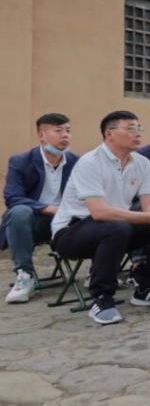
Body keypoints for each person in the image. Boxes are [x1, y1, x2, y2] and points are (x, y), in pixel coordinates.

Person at [49, 111, 150, 325]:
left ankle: (148, 289)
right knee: (117, 227)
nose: (137, 133)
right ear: (109, 133)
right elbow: (99, 212)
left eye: (139, 128)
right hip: (72, 232)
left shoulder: (141, 163)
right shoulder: (90, 162)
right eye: (130, 128)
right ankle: (102, 299)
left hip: (117, 229)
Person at [2, 113, 79, 304]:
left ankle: (98, 272)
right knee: (18, 211)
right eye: (58, 130)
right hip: (34, 221)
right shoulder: (21, 161)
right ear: (41, 135)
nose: (65, 135)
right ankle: (25, 276)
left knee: (98, 212)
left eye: (68, 130)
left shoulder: (77, 162)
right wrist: (47, 208)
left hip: (68, 220)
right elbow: (13, 197)